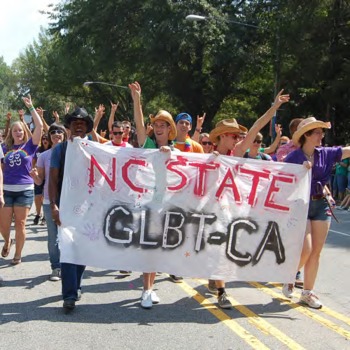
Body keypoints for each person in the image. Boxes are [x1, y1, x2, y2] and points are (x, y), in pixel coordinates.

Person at [208, 89, 290, 309]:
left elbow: (255, 128)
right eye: (233, 136)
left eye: (238, 136)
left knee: (226, 248)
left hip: (233, 208)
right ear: (222, 136)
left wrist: (274, 108)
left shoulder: (238, 153)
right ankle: (222, 291)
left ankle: (216, 280)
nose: (238, 139)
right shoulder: (208, 156)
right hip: (212, 209)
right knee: (220, 248)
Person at [284, 117, 350, 309]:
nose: (321, 135)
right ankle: (289, 276)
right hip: (300, 206)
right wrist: (300, 174)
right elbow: (281, 184)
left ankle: (307, 293)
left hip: (321, 204)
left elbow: (346, 151)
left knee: (316, 252)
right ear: (306, 135)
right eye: (317, 132)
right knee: (306, 249)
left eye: (322, 132)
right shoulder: (293, 158)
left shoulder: (326, 154)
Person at [129, 80, 179, 309]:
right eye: (156, 123)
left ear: (170, 129)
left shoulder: (179, 152)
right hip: (147, 203)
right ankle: (146, 290)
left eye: (163, 124)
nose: (159, 127)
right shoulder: (147, 144)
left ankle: (150, 287)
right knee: (149, 247)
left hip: (168, 205)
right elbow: (139, 124)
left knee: (158, 249)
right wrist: (137, 98)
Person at [49, 107, 94, 312]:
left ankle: (75, 284)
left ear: (86, 128)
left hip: (88, 208)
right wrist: (54, 205)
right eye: (74, 122)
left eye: (82, 123)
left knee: (82, 249)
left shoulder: (95, 148)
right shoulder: (60, 150)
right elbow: (53, 179)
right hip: (65, 208)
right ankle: (69, 295)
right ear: (68, 127)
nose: (78, 125)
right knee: (67, 249)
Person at [0, 95, 43, 265]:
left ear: (24, 132)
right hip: (6, 190)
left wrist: (31, 107)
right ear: (10, 132)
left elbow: (39, 126)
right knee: (3, 226)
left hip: (24, 190)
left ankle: (18, 254)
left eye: (20, 130)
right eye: (15, 130)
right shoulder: (4, 147)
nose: (18, 132)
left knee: (20, 223)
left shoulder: (31, 145)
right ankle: (7, 240)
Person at [30, 123, 67, 281]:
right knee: (53, 236)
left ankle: (69, 266)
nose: (56, 133)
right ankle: (56, 267)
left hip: (69, 200)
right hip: (49, 200)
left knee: (69, 235)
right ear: (49, 136)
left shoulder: (71, 153)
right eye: (53, 132)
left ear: (64, 134)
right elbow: (40, 182)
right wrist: (34, 176)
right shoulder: (44, 156)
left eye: (59, 131)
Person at [32, 133, 51, 225]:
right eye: (43, 138)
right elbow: (33, 162)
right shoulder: (38, 150)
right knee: (37, 196)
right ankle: (38, 214)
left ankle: (45, 216)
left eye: (47, 138)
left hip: (48, 177)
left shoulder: (52, 150)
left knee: (45, 197)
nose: (45, 140)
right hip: (39, 176)